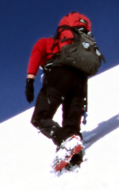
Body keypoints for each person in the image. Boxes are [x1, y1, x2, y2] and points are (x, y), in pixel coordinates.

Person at [25, 11, 105, 172]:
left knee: (40, 118)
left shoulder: (46, 42)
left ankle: (65, 141)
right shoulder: (75, 45)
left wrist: (30, 80)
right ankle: (74, 157)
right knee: (71, 121)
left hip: (59, 75)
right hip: (80, 80)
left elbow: (36, 54)